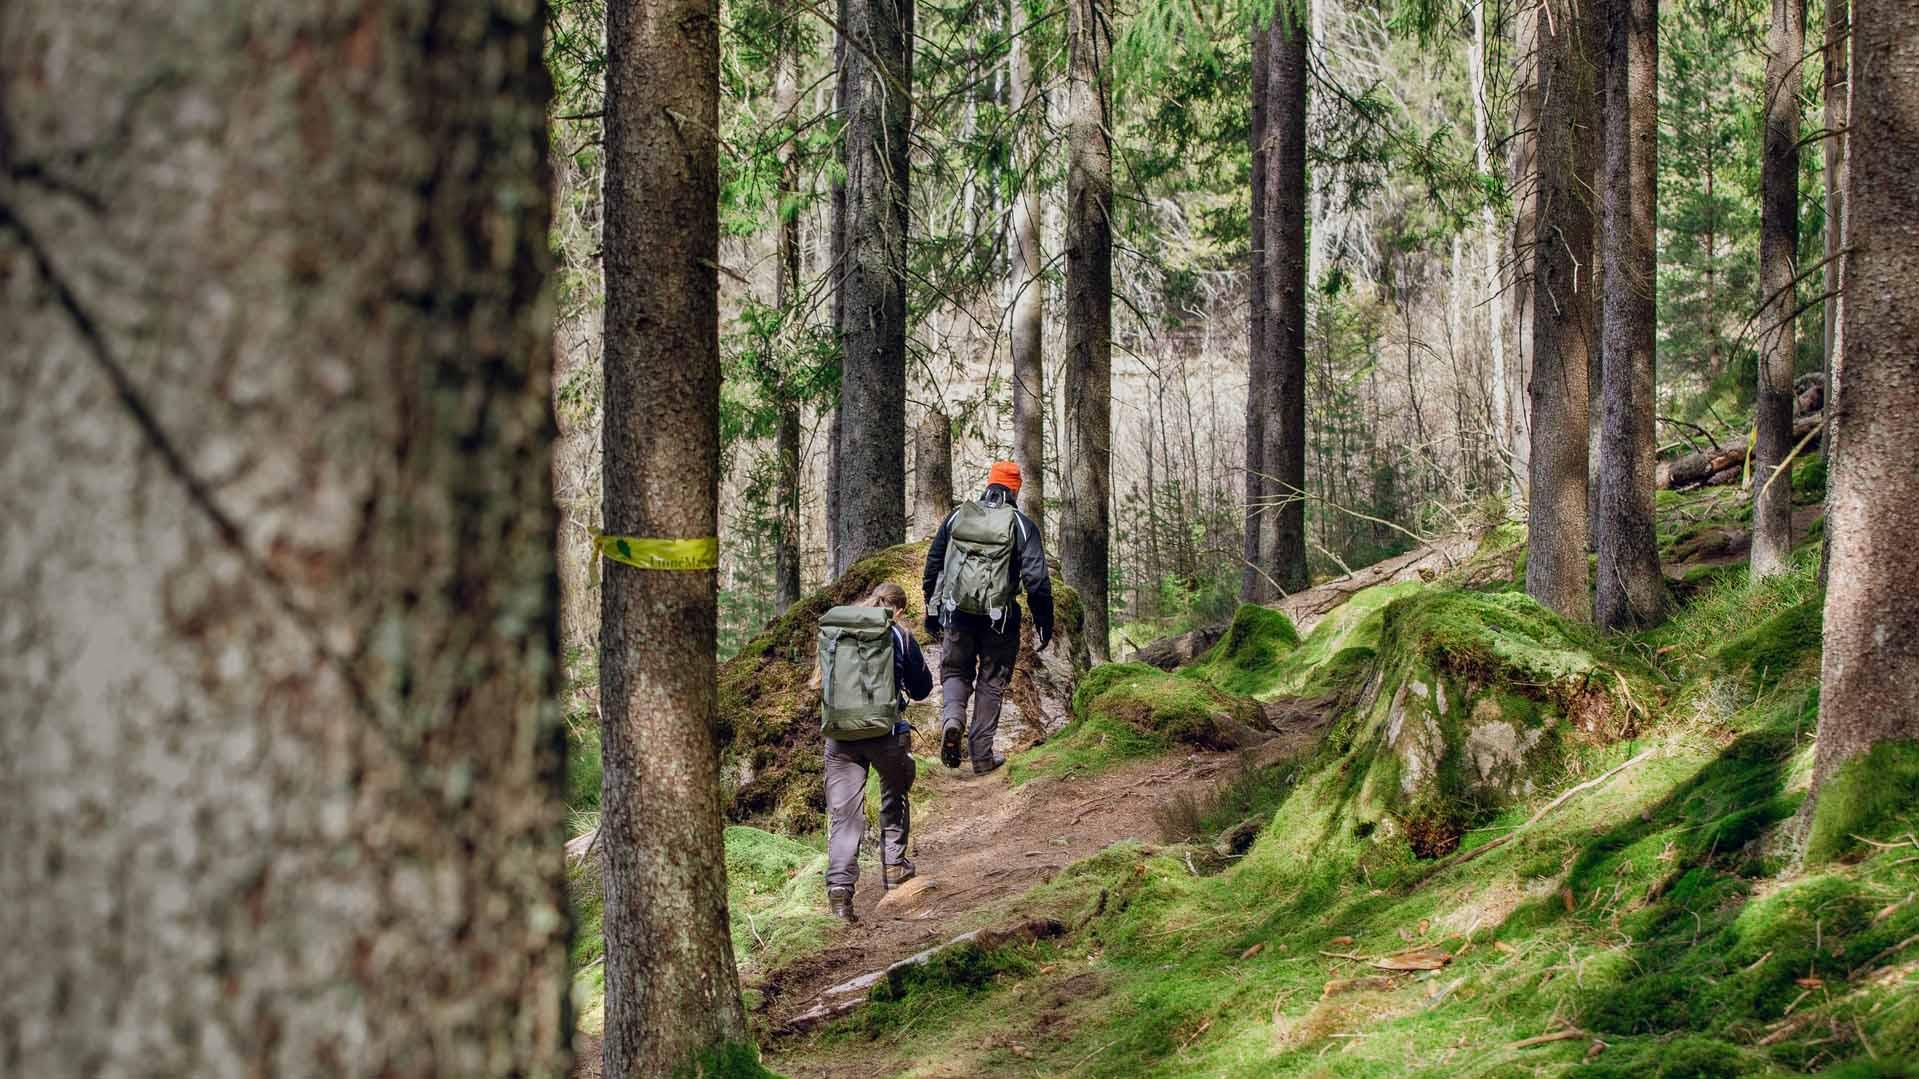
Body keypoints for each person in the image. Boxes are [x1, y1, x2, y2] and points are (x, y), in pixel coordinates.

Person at [921, 460, 1054, 776]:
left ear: (989, 484)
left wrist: (932, 610)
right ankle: (981, 756)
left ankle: (953, 721)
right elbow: (1036, 579)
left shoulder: (958, 516)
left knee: (955, 670)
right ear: (1015, 489)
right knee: (992, 680)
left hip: (956, 614)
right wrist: (1043, 621)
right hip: (1000, 620)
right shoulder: (1020, 524)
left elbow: (934, 566)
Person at [813, 582, 932, 923]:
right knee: (897, 788)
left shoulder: (838, 630)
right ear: (900, 610)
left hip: (839, 736)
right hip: (885, 733)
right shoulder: (898, 634)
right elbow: (922, 689)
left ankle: (839, 893)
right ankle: (894, 867)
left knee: (844, 816)